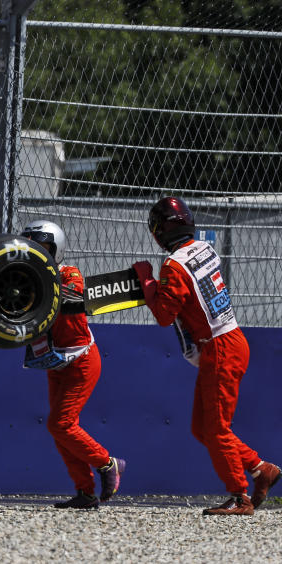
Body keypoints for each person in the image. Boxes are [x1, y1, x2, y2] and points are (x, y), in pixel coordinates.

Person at [133, 196, 279, 516]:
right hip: (231, 339)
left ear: (159, 232)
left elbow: (163, 314)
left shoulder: (174, 265)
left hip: (220, 347)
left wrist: (145, 280)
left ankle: (239, 497)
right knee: (202, 428)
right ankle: (260, 469)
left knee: (215, 430)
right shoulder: (204, 249)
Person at [21, 220, 125, 509]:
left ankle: (108, 464)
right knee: (60, 428)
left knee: (61, 424)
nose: (36, 254)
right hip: (54, 361)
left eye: (41, 248)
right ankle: (85, 492)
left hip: (80, 359)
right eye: (30, 248)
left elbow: (73, 296)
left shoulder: (69, 274)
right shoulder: (24, 278)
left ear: (56, 249)